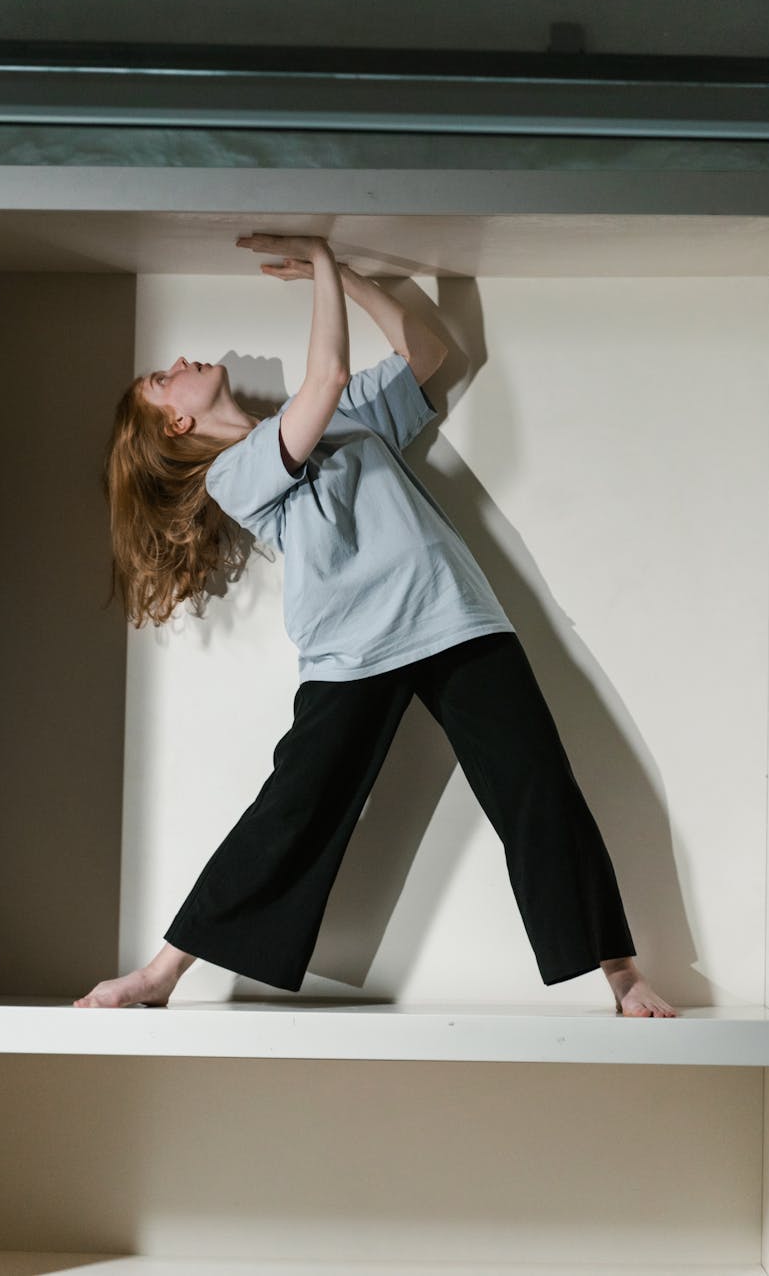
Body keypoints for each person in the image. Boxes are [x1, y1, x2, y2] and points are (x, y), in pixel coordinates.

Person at [74, 232, 676, 1018]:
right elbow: (323, 376)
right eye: (165, 379)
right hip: (351, 654)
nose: (181, 362)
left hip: (453, 620)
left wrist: (351, 275)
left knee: (538, 789)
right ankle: (160, 974)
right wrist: (321, 262)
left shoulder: (348, 418)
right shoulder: (235, 472)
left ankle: (622, 976)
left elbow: (427, 349)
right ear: (177, 428)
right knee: (292, 813)